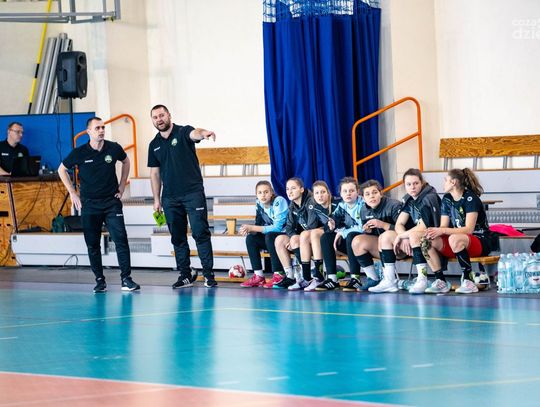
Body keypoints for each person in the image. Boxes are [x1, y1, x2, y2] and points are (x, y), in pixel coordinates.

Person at [58, 117, 139, 293]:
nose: (101, 130)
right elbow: (61, 169)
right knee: (93, 244)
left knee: (121, 240)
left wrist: (122, 185)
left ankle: (126, 279)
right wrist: (72, 192)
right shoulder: (79, 152)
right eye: (97, 128)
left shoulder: (113, 148)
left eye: (103, 127)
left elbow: (126, 161)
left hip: (111, 203)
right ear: (89, 132)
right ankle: (100, 281)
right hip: (90, 205)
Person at [148, 104, 217, 288]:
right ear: (152, 120)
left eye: (162, 115)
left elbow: (195, 133)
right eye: (155, 117)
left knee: (200, 233)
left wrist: (204, 133)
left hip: (193, 193)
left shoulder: (183, 131)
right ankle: (185, 275)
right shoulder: (154, 145)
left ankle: (209, 275)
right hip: (170, 198)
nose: (159, 119)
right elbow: (154, 174)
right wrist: (156, 199)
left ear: (169, 115)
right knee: (177, 237)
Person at [423, 168, 498, 294]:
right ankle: (440, 281)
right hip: (458, 242)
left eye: (446, 180)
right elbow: (443, 226)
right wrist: (435, 231)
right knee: (426, 241)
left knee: (454, 238)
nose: (443, 183)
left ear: (453, 182)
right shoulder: (447, 199)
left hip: (481, 240)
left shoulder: (470, 198)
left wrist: (443, 231)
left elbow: (469, 229)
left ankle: (468, 281)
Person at [377, 169, 441, 294]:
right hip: (413, 237)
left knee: (414, 235)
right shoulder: (409, 199)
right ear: (404, 185)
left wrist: (402, 236)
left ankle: (422, 279)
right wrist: (403, 236)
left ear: (422, 183)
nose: (412, 187)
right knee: (385, 237)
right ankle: (390, 281)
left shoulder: (429, 197)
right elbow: (399, 223)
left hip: (433, 238)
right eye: (409, 184)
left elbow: (423, 227)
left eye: (416, 183)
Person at [349, 180, 402, 293]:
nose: (371, 196)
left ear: (381, 193)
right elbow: (373, 236)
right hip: (382, 249)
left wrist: (383, 225)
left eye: (374, 192)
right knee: (357, 241)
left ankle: (390, 280)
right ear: (363, 198)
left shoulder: (394, 205)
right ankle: (373, 279)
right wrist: (368, 232)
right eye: (367, 194)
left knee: (385, 236)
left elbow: (404, 230)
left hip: (401, 248)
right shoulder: (364, 210)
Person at [317, 177, 364, 291]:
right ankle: (332, 279)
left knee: (351, 236)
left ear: (357, 192)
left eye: (351, 191)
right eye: (345, 191)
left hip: (361, 243)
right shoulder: (342, 206)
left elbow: (363, 227)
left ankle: (356, 279)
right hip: (348, 243)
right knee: (326, 237)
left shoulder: (363, 204)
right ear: (341, 194)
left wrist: (342, 232)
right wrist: (331, 225)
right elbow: (332, 221)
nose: (348, 193)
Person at [238, 180, 288, 288]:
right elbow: (258, 225)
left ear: (272, 193)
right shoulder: (259, 203)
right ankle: (258, 276)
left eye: (266, 192)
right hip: (270, 239)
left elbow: (278, 228)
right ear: (256, 194)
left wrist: (252, 227)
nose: (263, 195)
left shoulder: (279, 201)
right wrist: (248, 230)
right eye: (260, 192)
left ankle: (279, 274)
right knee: (251, 238)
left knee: (270, 236)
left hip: (285, 238)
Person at [273, 177, 314, 290]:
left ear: (301, 189)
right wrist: (292, 238)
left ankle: (309, 275)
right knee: (280, 240)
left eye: (293, 188)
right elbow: (289, 227)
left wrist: (295, 239)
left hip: (314, 239)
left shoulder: (311, 201)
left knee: (295, 239)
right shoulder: (292, 205)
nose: (289, 192)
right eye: (287, 189)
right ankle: (290, 276)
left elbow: (312, 226)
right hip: (300, 239)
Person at [301, 180, 339, 291]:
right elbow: (311, 226)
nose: (320, 195)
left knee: (315, 233)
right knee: (304, 234)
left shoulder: (337, 203)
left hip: (338, 235)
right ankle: (306, 278)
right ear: (313, 195)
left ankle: (319, 277)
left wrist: (324, 228)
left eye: (323, 192)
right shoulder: (315, 206)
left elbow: (338, 224)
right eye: (316, 193)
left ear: (328, 193)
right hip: (327, 233)